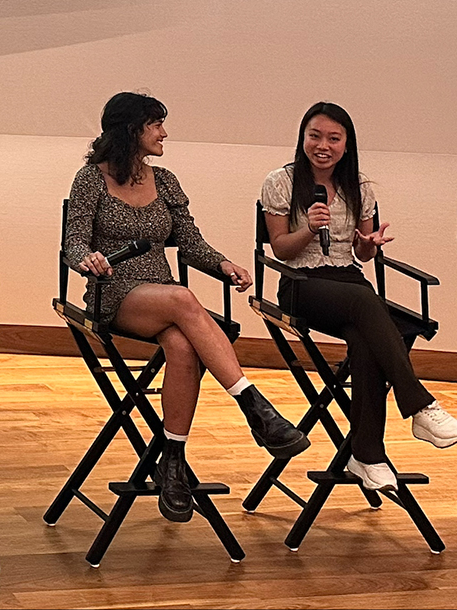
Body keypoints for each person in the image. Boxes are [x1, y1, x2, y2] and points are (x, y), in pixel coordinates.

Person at [62, 92, 307, 522]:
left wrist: (223, 263)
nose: (164, 133)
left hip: (166, 298)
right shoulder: (90, 180)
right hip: (114, 293)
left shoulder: (167, 180)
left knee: (182, 346)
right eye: (156, 124)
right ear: (130, 129)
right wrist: (88, 258)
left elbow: (190, 244)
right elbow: (74, 243)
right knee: (182, 299)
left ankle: (171, 461)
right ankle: (254, 406)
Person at [259, 102, 457, 492]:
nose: (323, 145)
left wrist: (370, 244)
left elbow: (362, 255)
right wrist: (308, 228)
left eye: (333, 138)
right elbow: (280, 249)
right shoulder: (281, 182)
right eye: (315, 136)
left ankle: (367, 456)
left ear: (346, 144)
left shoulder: (361, 186)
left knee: (367, 339)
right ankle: (421, 406)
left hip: (348, 281)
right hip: (300, 282)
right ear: (303, 138)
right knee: (369, 306)